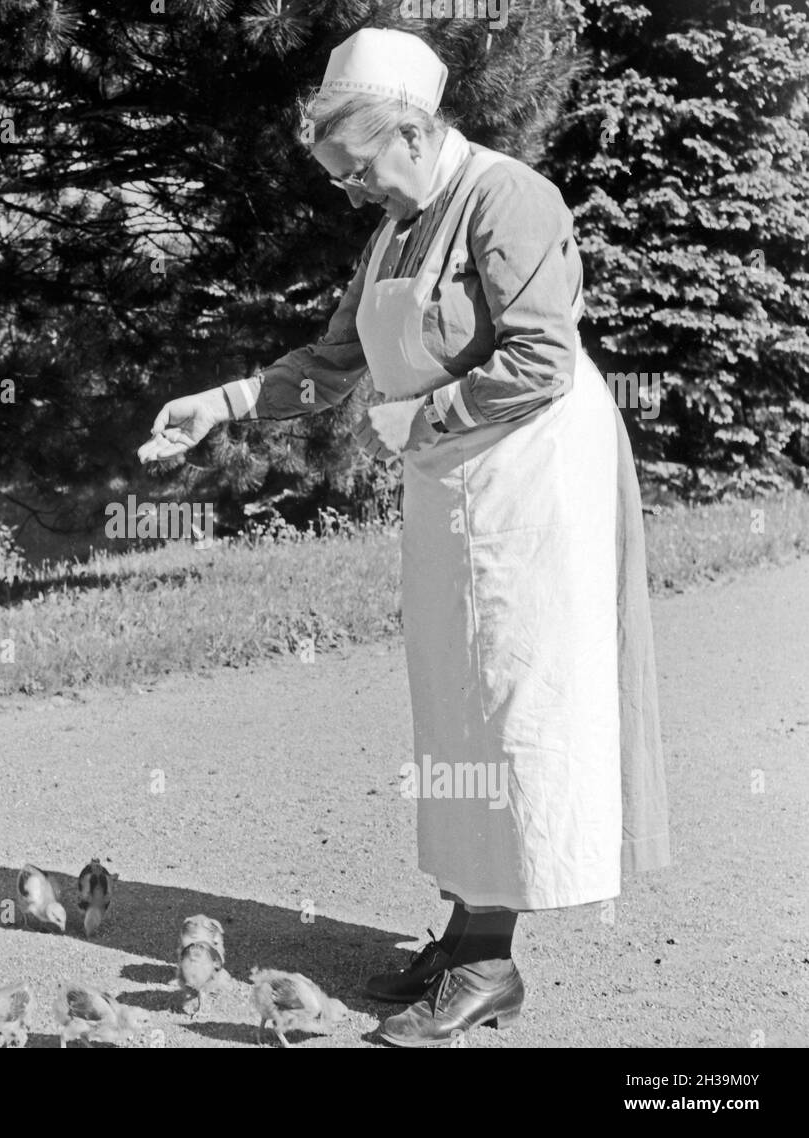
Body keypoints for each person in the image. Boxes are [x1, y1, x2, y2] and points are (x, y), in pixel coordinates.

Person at [139, 27, 670, 1047]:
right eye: (337, 178)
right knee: (458, 704)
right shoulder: (394, 227)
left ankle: (485, 964)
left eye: (357, 168)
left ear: (415, 129)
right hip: (454, 482)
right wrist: (225, 401)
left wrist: (414, 424)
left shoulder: (509, 198)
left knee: (514, 700)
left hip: (532, 480)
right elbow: (334, 362)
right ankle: (467, 925)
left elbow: (540, 359)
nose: (349, 193)